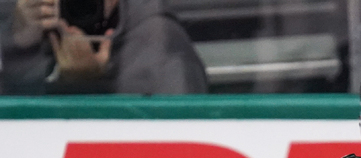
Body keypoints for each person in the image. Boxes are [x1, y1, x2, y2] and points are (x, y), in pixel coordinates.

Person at [2, 0, 207, 94]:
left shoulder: (159, 41)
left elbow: (173, 145)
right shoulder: (18, 19)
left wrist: (85, 86)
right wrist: (15, 39)